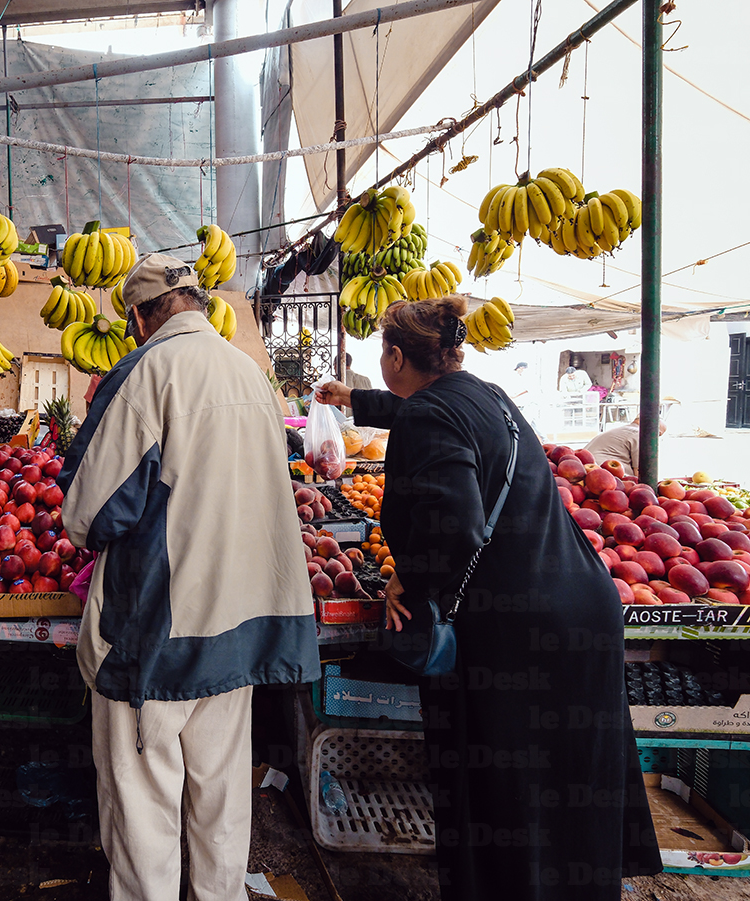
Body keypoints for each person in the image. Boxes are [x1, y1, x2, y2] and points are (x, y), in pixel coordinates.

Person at [315, 296, 659, 900]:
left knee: (506, 796)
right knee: (568, 791)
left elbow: (457, 525)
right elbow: (433, 418)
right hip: (579, 603)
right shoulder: (487, 394)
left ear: (395, 357)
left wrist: (411, 578)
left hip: (520, 630)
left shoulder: (429, 414)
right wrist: (356, 402)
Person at [59, 254, 320, 901]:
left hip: (157, 633)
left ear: (144, 314)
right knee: (221, 806)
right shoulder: (250, 373)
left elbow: (90, 513)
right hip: (240, 632)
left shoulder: (146, 372)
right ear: (196, 302)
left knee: (143, 816)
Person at [585, 416, 667, 480]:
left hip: (587, 471)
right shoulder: (640, 434)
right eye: (659, 434)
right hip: (603, 476)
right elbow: (641, 473)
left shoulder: (621, 430)